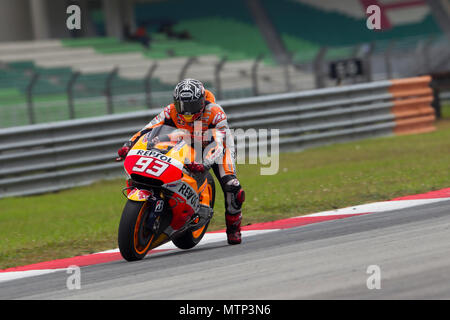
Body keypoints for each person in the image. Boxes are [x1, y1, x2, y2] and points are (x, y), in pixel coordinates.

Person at [117, 79, 245, 245]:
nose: (186, 111)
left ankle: (234, 230)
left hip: (216, 147)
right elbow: (149, 128)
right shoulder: (170, 110)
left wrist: (205, 163)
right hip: (186, 142)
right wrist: (129, 144)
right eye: (182, 105)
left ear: (201, 101)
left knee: (232, 186)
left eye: (191, 106)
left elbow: (219, 143)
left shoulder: (215, 112)